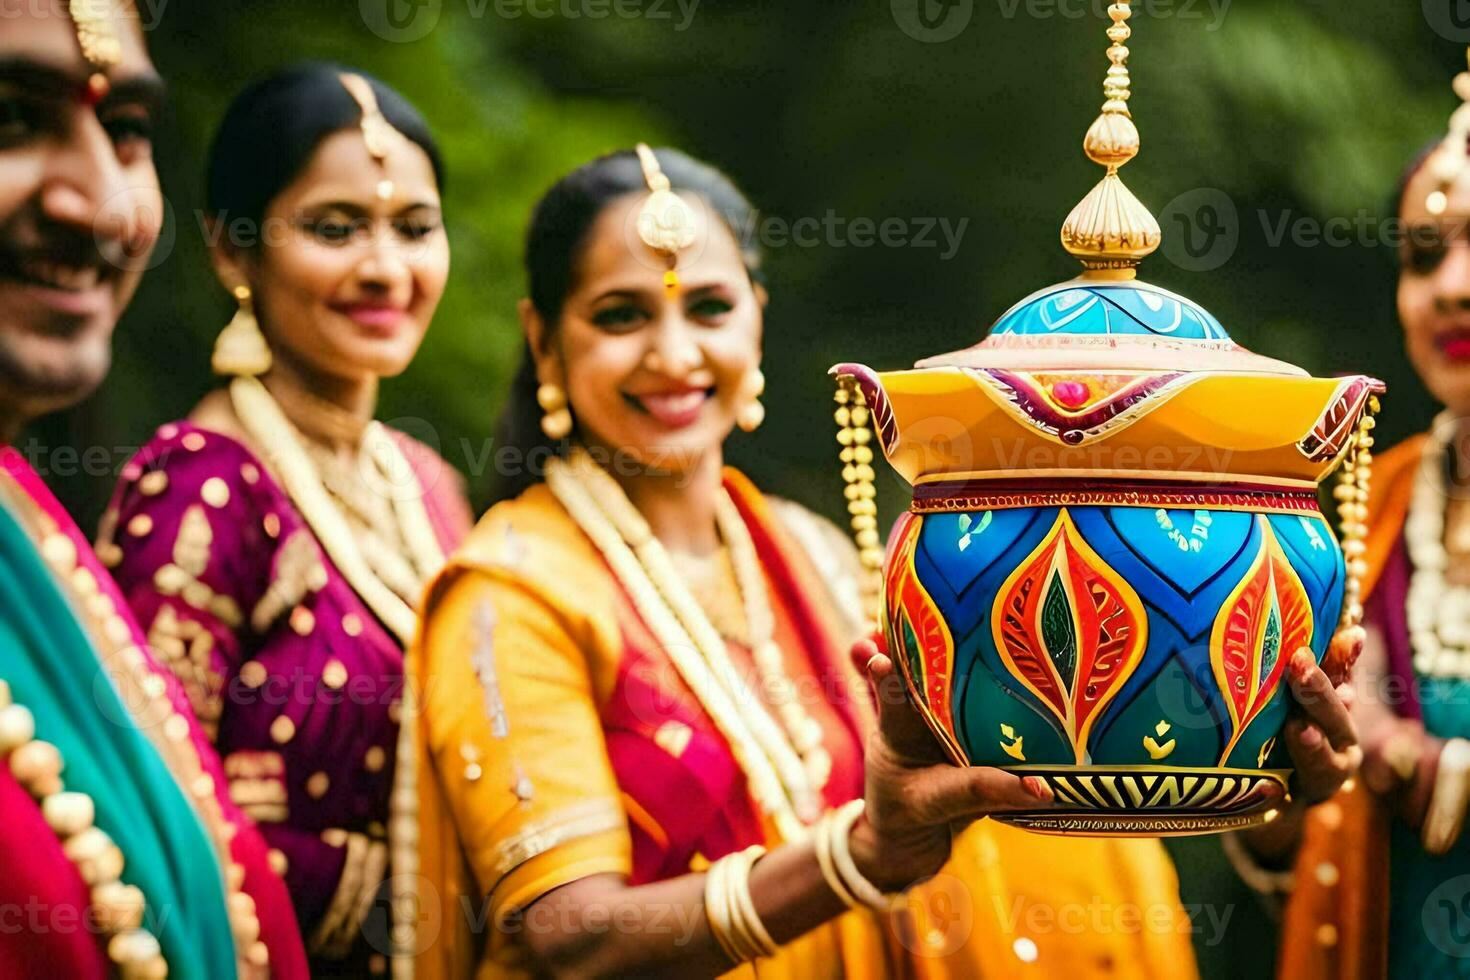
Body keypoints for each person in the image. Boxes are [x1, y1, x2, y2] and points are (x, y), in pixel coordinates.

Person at [407, 145, 1359, 979]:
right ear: (543, 340)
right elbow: (571, 939)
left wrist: (1263, 788)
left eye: (709, 307)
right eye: (620, 316)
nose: (674, 353)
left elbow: (1022, 783)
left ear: (757, 319)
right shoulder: (511, 592)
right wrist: (861, 857)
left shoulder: (815, 550)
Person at [97, 62, 473, 977]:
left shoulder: (423, 483)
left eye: (414, 229)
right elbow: (156, 819)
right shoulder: (200, 489)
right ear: (232, 250)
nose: (385, 268)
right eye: (334, 228)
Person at [0, 2, 310, 977]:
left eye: (127, 131)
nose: (105, 204)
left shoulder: (36, 540)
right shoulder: (204, 483)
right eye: (11, 116)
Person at [1281, 84, 1470, 977]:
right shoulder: (1369, 501)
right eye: (1424, 254)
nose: (1454, 289)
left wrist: (1406, 759)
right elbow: (1297, 825)